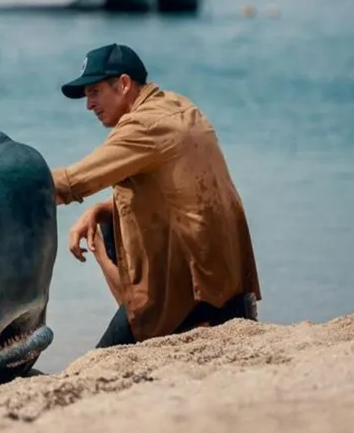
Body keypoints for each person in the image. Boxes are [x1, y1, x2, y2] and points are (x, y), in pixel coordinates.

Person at [53, 43, 261, 349]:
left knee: (98, 361)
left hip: (196, 297)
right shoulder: (179, 105)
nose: (89, 105)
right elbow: (174, 195)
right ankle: (143, 320)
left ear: (123, 84)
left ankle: (150, 324)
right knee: (112, 217)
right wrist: (98, 210)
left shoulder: (142, 126)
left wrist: (14, 186)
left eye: (94, 92)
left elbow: (71, 182)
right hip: (229, 287)